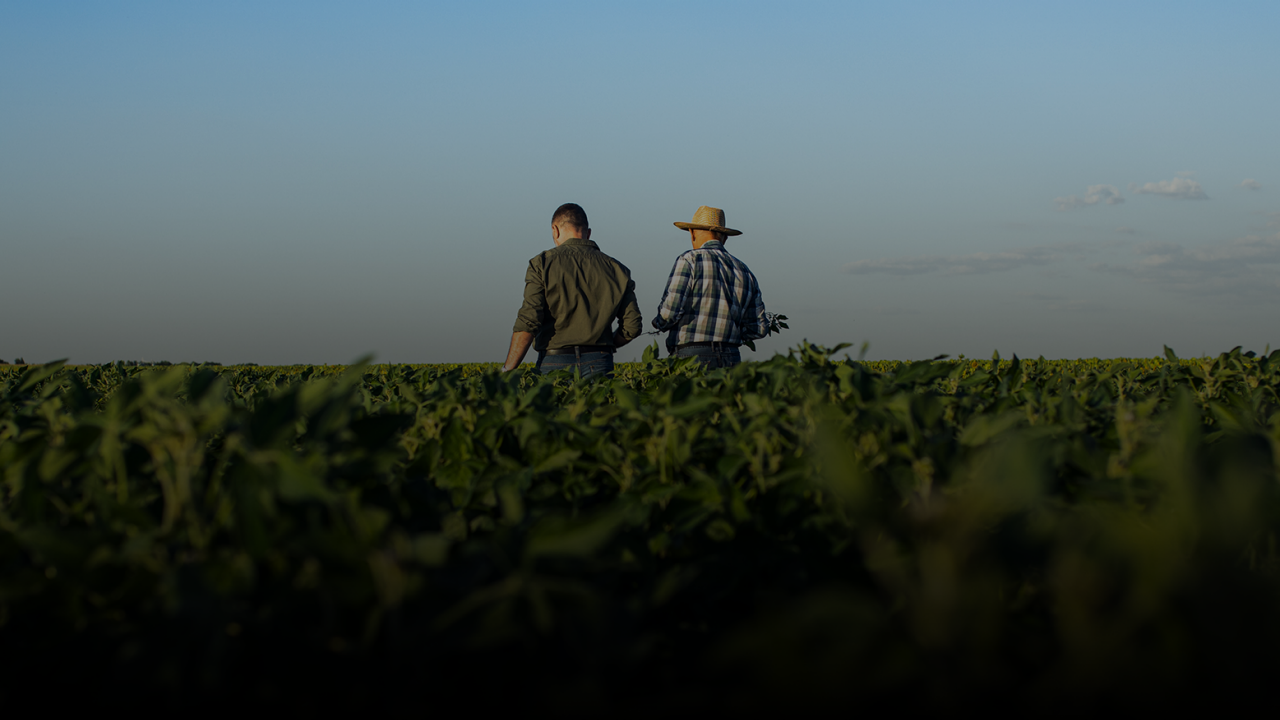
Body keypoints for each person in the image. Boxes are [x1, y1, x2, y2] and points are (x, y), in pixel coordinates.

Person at [502, 203, 642, 378]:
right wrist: (605, 345)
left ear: (555, 230)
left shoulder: (542, 264)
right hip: (600, 361)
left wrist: (507, 370)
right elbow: (632, 326)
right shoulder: (618, 269)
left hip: (554, 362)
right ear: (588, 232)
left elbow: (529, 321)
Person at [651, 205, 767, 369]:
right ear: (724, 237)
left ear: (692, 233)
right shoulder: (744, 270)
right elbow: (758, 328)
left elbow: (669, 313)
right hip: (732, 356)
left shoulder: (689, 260)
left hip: (691, 356)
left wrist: (659, 323)